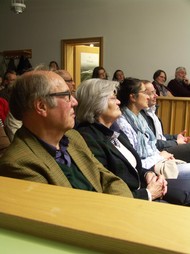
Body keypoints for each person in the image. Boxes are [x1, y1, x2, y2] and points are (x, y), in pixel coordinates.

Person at [0, 70, 133, 199]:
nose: (75, 102)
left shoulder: (73, 137)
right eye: (67, 96)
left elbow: (111, 180)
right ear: (41, 106)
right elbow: (65, 213)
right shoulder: (18, 164)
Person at [75, 78, 170, 202]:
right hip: (131, 202)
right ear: (96, 104)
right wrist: (148, 193)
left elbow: (134, 166)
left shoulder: (114, 129)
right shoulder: (89, 138)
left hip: (144, 188)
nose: (119, 101)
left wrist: (148, 175)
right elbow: (108, 188)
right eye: (113, 98)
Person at [116, 78, 190, 179]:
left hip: (156, 159)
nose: (148, 97)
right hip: (148, 168)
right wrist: (161, 155)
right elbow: (135, 161)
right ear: (133, 97)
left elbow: (151, 145)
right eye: (145, 93)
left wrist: (163, 154)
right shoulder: (123, 124)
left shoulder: (140, 118)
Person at [141, 80, 190, 162]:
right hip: (158, 152)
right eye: (151, 93)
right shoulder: (142, 116)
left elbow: (160, 136)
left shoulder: (152, 112)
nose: (156, 95)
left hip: (163, 147)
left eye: (155, 92)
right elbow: (153, 143)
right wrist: (176, 142)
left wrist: (175, 137)